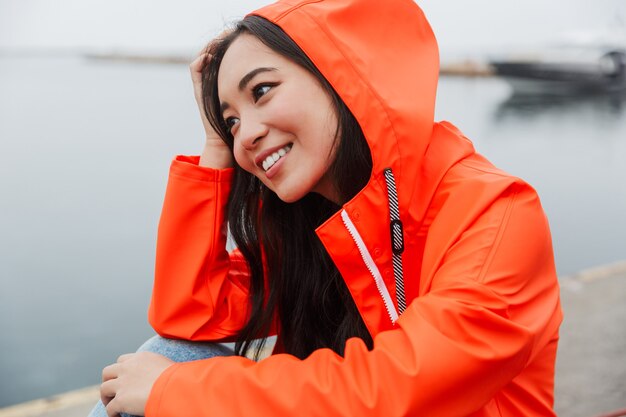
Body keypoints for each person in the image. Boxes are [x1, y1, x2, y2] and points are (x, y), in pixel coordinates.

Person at [93, 0, 563, 416]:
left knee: (167, 383)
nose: (246, 136)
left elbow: (402, 389)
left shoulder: (497, 212)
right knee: (171, 353)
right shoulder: (315, 223)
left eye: (261, 91)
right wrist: (214, 147)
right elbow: (193, 316)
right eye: (232, 121)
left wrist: (174, 393)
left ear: (342, 76)